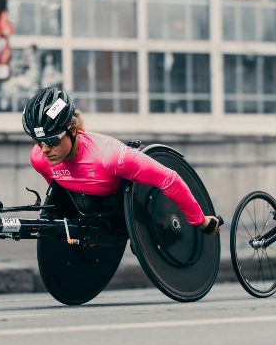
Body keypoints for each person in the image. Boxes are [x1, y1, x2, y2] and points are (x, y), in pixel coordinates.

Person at [22, 86, 221, 234]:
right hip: (88, 209)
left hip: (123, 205)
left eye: (52, 140)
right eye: (38, 142)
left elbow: (168, 178)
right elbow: (59, 193)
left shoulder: (110, 156)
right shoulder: (39, 158)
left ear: (73, 130)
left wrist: (201, 221)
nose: (45, 149)